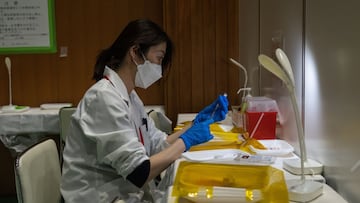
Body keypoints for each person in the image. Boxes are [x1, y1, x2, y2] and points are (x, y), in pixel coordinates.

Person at [60, 19, 229, 203]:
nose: (159, 68)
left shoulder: (130, 97)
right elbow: (138, 171)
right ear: (135, 52)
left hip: (122, 193)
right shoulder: (103, 98)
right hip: (98, 197)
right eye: (159, 58)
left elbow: (157, 144)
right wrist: (185, 141)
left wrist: (193, 126)